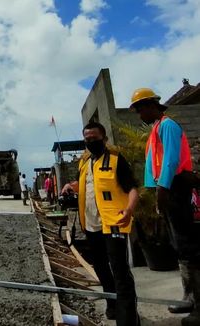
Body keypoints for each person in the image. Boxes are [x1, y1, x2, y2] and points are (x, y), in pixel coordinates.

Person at [130, 88, 200, 325]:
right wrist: (156, 186)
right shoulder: (157, 128)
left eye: (141, 110)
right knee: (179, 245)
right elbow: (155, 162)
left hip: (175, 187)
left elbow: (170, 159)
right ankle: (189, 297)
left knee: (188, 246)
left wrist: (162, 188)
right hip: (169, 187)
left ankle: (199, 306)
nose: (140, 115)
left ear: (151, 105)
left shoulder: (168, 126)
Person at [61, 122, 140, 325]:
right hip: (91, 225)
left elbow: (132, 188)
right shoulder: (85, 163)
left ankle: (129, 318)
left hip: (113, 223)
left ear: (104, 139)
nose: (90, 142)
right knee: (102, 269)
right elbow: (87, 185)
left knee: (120, 270)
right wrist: (70, 186)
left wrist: (129, 209)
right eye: (87, 139)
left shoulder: (116, 160)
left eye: (94, 138)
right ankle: (112, 304)